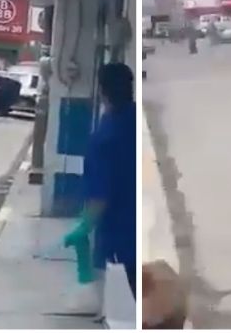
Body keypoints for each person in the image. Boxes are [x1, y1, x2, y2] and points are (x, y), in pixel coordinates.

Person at [63, 62, 137, 298]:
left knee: (122, 302)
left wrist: (84, 226)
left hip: (119, 236)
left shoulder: (104, 137)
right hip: (137, 225)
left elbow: (99, 195)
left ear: (102, 92)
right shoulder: (133, 119)